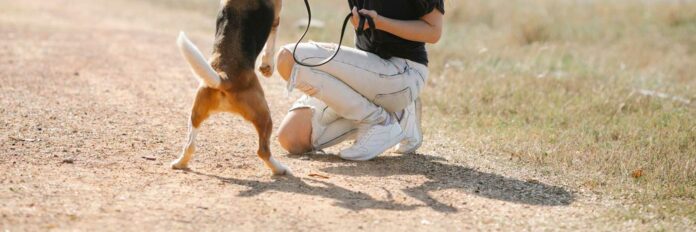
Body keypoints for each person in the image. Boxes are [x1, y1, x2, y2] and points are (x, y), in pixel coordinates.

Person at [274, 0, 444, 161]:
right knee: (291, 138)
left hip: (404, 72)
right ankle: (399, 114)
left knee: (288, 58)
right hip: (367, 73)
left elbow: (434, 31)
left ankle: (382, 121)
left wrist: (380, 22)